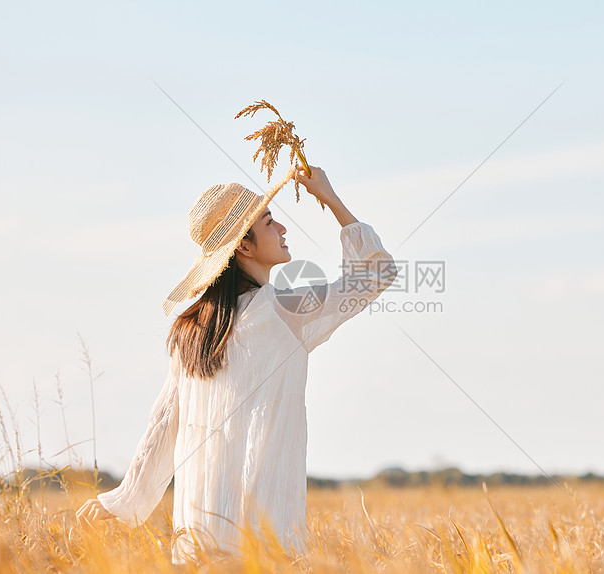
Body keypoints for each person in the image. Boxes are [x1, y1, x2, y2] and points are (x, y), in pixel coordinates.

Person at [75, 166, 397, 564]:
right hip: (267, 535)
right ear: (244, 247)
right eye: (268, 221)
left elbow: (163, 424)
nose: (282, 227)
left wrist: (126, 499)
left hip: (199, 532)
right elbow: (376, 275)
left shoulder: (191, 330)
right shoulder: (284, 312)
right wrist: (329, 197)